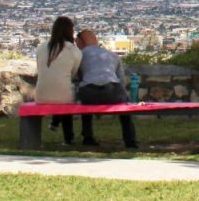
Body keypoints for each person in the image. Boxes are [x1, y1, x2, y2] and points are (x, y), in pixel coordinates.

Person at [75, 29, 138, 149]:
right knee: (124, 108)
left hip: (89, 93)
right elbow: (121, 80)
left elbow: (78, 78)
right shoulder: (112, 55)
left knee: (85, 100)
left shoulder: (79, 56)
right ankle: (130, 141)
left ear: (80, 41)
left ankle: (87, 137)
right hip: (112, 91)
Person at [35, 16, 82, 144]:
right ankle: (68, 138)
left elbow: (40, 69)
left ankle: (55, 123)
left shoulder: (41, 47)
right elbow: (73, 73)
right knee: (67, 92)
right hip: (64, 96)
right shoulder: (73, 50)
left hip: (41, 95)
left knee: (63, 92)